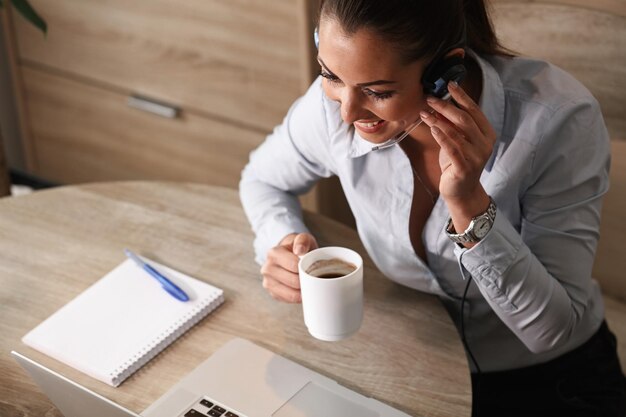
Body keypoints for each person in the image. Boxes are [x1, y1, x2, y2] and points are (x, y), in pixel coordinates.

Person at [239, 0, 626, 415]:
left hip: (547, 377)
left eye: (378, 91)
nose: (347, 113)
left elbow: (551, 331)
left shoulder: (557, 121)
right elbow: (261, 180)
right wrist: (280, 241)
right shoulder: (330, 106)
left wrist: (468, 203)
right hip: (412, 362)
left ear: (444, 76)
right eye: (330, 75)